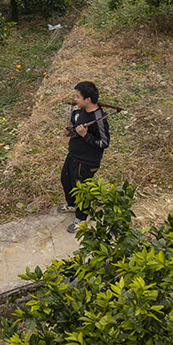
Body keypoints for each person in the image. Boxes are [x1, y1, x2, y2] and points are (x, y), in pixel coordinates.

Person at [57, 81, 110, 233]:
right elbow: (78, 130)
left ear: (88, 99)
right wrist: (72, 133)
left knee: (81, 189)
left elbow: (104, 142)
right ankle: (73, 205)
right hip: (73, 155)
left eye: (78, 97)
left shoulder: (99, 118)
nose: (76, 99)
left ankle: (81, 218)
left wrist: (85, 135)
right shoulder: (82, 111)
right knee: (66, 179)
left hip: (86, 161)